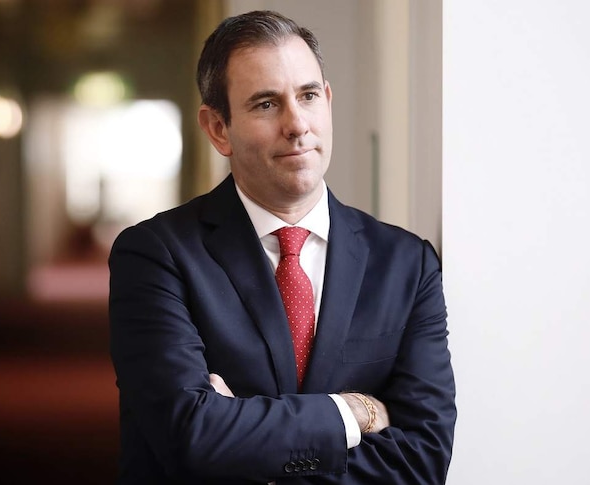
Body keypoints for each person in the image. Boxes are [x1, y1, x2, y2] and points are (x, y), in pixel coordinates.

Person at [109, 10, 455, 484]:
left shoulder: (408, 264)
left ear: (327, 102)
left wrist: (245, 443)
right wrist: (352, 414)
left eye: (308, 96)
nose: (297, 124)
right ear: (217, 129)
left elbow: (423, 457)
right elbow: (189, 438)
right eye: (266, 104)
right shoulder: (155, 256)